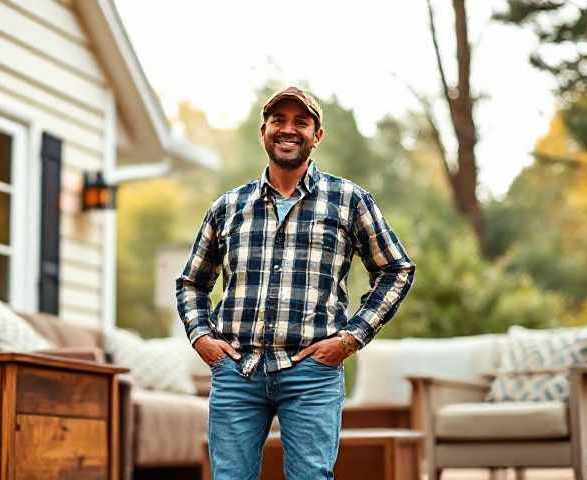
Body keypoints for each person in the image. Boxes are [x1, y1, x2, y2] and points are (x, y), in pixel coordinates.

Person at [176, 86, 415, 479]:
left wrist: (349, 338)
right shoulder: (228, 207)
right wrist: (201, 337)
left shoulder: (349, 200)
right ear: (264, 131)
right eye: (278, 121)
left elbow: (396, 270)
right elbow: (191, 283)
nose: (289, 130)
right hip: (238, 371)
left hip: (312, 374)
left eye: (301, 122)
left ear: (317, 136)